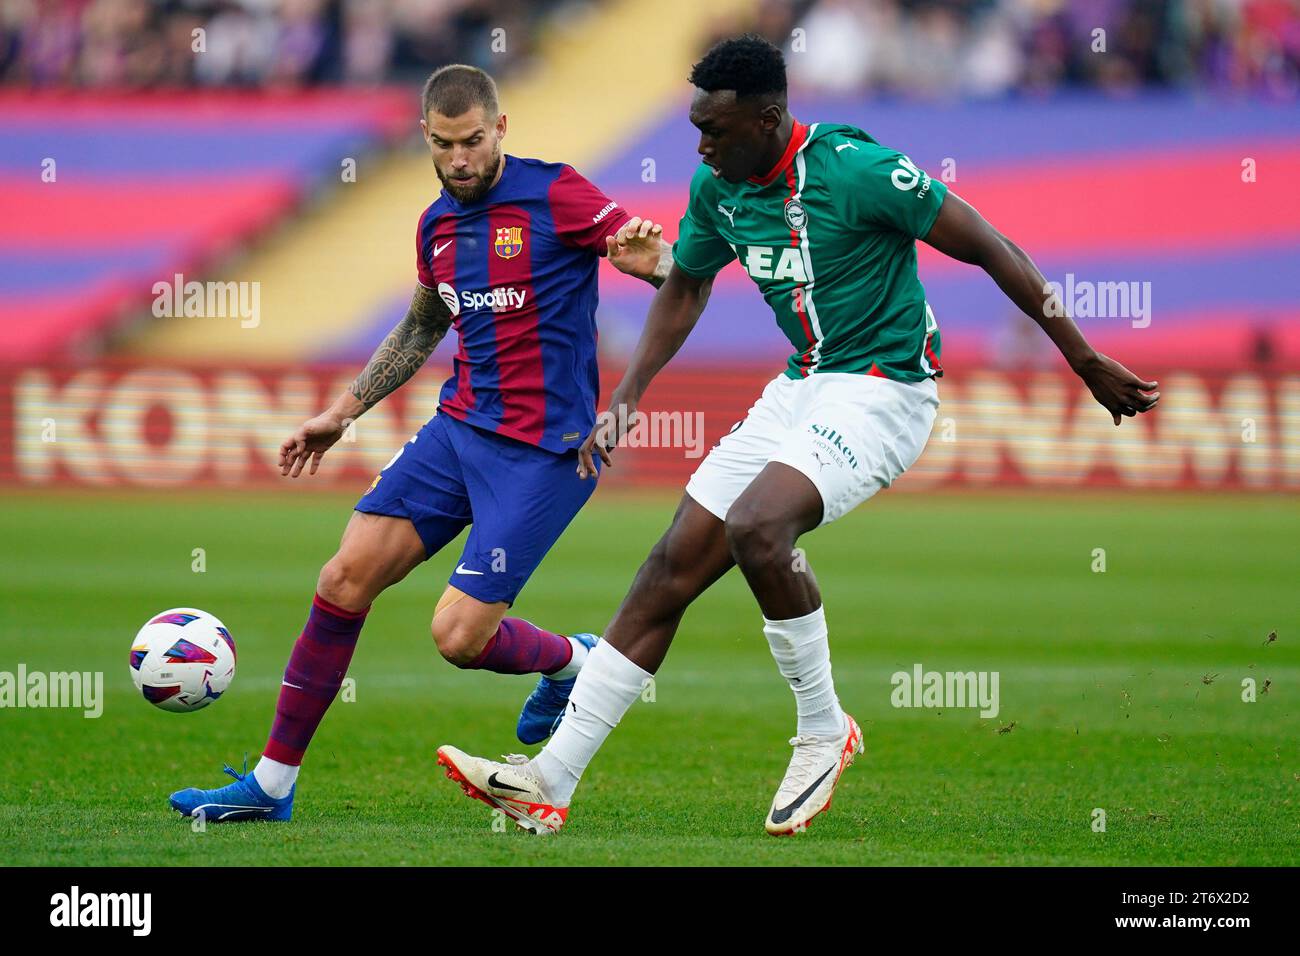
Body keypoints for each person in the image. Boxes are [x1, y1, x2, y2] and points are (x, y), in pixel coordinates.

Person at [435, 36, 1159, 836]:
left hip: (887, 389)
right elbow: (685, 284)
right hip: (804, 383)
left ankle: (823, 729)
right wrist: (632, 391)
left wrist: (1083, 357)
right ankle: (549, 779)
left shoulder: (857, 169)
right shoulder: (720, 188)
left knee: (757, 527)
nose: (701, 147)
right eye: (695, 127)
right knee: (671, 566)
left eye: (715, 129)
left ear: (768, 119)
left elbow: (991, 246)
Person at [169, 64, 671, 823]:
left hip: (546, 453)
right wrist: (344, 411)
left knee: (458, 637)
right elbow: (421, 326)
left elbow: (664, 263)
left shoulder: (555, 191)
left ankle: (576, 661)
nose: (460, 158)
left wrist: (655, 264)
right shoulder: (436, 226)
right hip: (458, 432)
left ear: (500, 129)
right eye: (443, 144)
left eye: (473, 141)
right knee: (342, 579)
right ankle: (271, 787)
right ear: (426, 141)